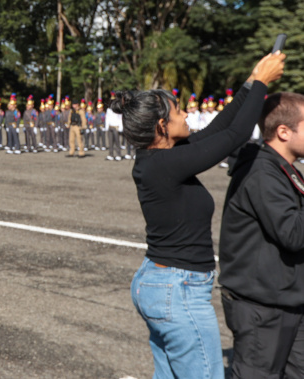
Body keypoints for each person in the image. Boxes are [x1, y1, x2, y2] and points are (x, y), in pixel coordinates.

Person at [113, 51, 285, 379]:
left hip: (162, 284)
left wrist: (250, 83)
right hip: (178, 290)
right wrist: (263, 83)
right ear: (162, 125)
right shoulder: (164, 164)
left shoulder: (161, 157)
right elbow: (235, 136)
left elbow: (221, 128)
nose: (186, 114)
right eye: (178, 111)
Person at [219, 92, 304, 378]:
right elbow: (293, 233)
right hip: (262, 308)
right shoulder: (262, 172)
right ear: (284, 132)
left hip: (286, 299)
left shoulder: (283, 168)